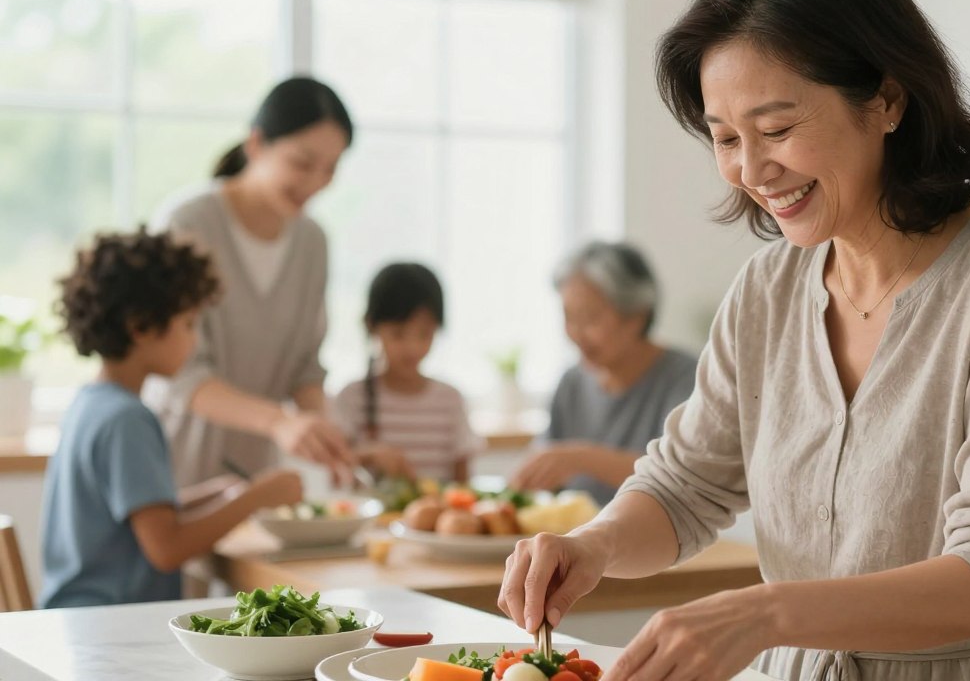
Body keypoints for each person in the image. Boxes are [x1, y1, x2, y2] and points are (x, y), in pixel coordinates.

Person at [498, 0, 970, 681]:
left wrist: (764, 613)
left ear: (885, 99)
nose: (752, 169)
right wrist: (594, 545)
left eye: (777, 129)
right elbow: (687, 486)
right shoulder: (767, 291)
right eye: (725, 138)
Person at [40, 229, 303, 608]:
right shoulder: (127, 420)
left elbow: (136, 519)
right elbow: (166, 548)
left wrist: (222, 494)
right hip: (106, 630)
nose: (194, 341)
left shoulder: (92, 403)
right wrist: (256, 499)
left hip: (78, 618)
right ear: (141, 326)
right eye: (189, 324)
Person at [147, 77, 367, 486]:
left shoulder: (313, 243)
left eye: (331, 168)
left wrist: (323, 433)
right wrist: (280, 422)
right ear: (256, 144)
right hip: (169, 472)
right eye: (302, 162)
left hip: (253, 482)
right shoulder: (187, 224)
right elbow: (176, 373)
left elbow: (304, 369)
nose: (316, 181)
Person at [510, 242, 696, 505]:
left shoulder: (687, 378)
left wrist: (580, 458)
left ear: (636, 317)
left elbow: (684, 476)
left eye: (589, 319)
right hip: (576, 540)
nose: (575, 333)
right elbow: (546, 470)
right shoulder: (571, 382)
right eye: (568, 317)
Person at [331, 263, 483, 483]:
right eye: (398, 334)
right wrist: (369, 455)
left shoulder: (450, 399)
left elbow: (462, 485)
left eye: (424, 334)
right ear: (371, 326)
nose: (412, 347)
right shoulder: (352, 397)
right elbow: (338, 475)